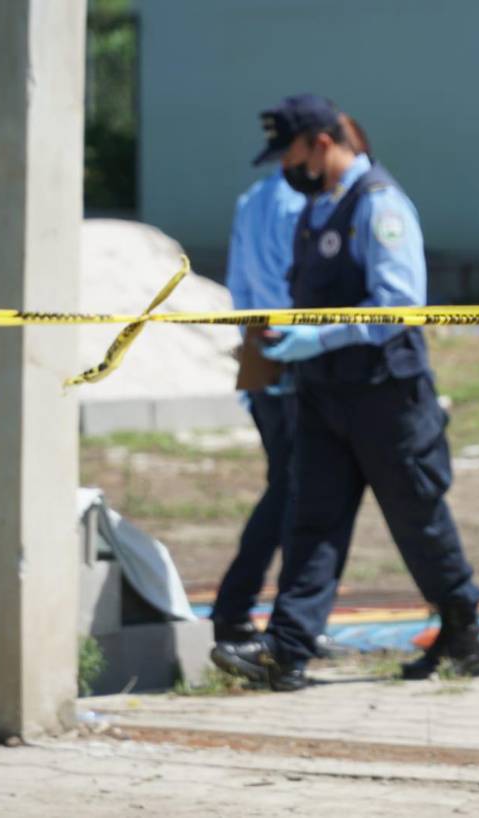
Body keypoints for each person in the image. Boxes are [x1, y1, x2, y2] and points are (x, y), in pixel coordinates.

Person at [210, 94, 479, 691]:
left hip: (384, 394)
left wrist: (316, 336)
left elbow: (398, 306)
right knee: (313, 522)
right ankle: (286, 651)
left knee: (416, 514)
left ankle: (462, 625)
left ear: (321, 142)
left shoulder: (380, 205)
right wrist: (292, 340)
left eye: (292, 153)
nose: (288, 169)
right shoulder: (317, 210)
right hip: (324, 394)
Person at [208, 158, 306, 659]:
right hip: (295, 357)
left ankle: (260, 613)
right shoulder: (307, 203)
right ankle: (253, 611)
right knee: (296, 492)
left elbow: (238, 287)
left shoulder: (252, 200)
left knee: (288, 489)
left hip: (260, 357)